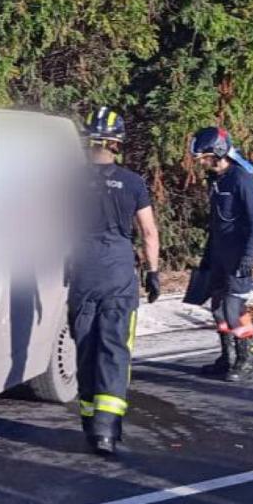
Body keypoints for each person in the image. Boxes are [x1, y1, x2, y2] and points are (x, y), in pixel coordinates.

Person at [67, 107, 161, 458]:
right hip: (119, 272)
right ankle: (108, 430)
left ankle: (90, 424)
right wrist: (152, 272)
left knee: (86, 346)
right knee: (115, 348)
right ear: (117, 142)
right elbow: (149, 232)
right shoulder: (133, 183)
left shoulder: (70, 180)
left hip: (83, 270)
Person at [188, 127, 253, 382]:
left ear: (219, 152)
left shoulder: (241, 178)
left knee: (233, 309)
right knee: (218, 309)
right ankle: (227, 357)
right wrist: (209, 255)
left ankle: (246, 358)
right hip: (219, 254)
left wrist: (248, 257)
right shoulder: (216, 180)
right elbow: (217, 221)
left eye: (204, 157)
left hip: (237, 255)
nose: (201, 163)